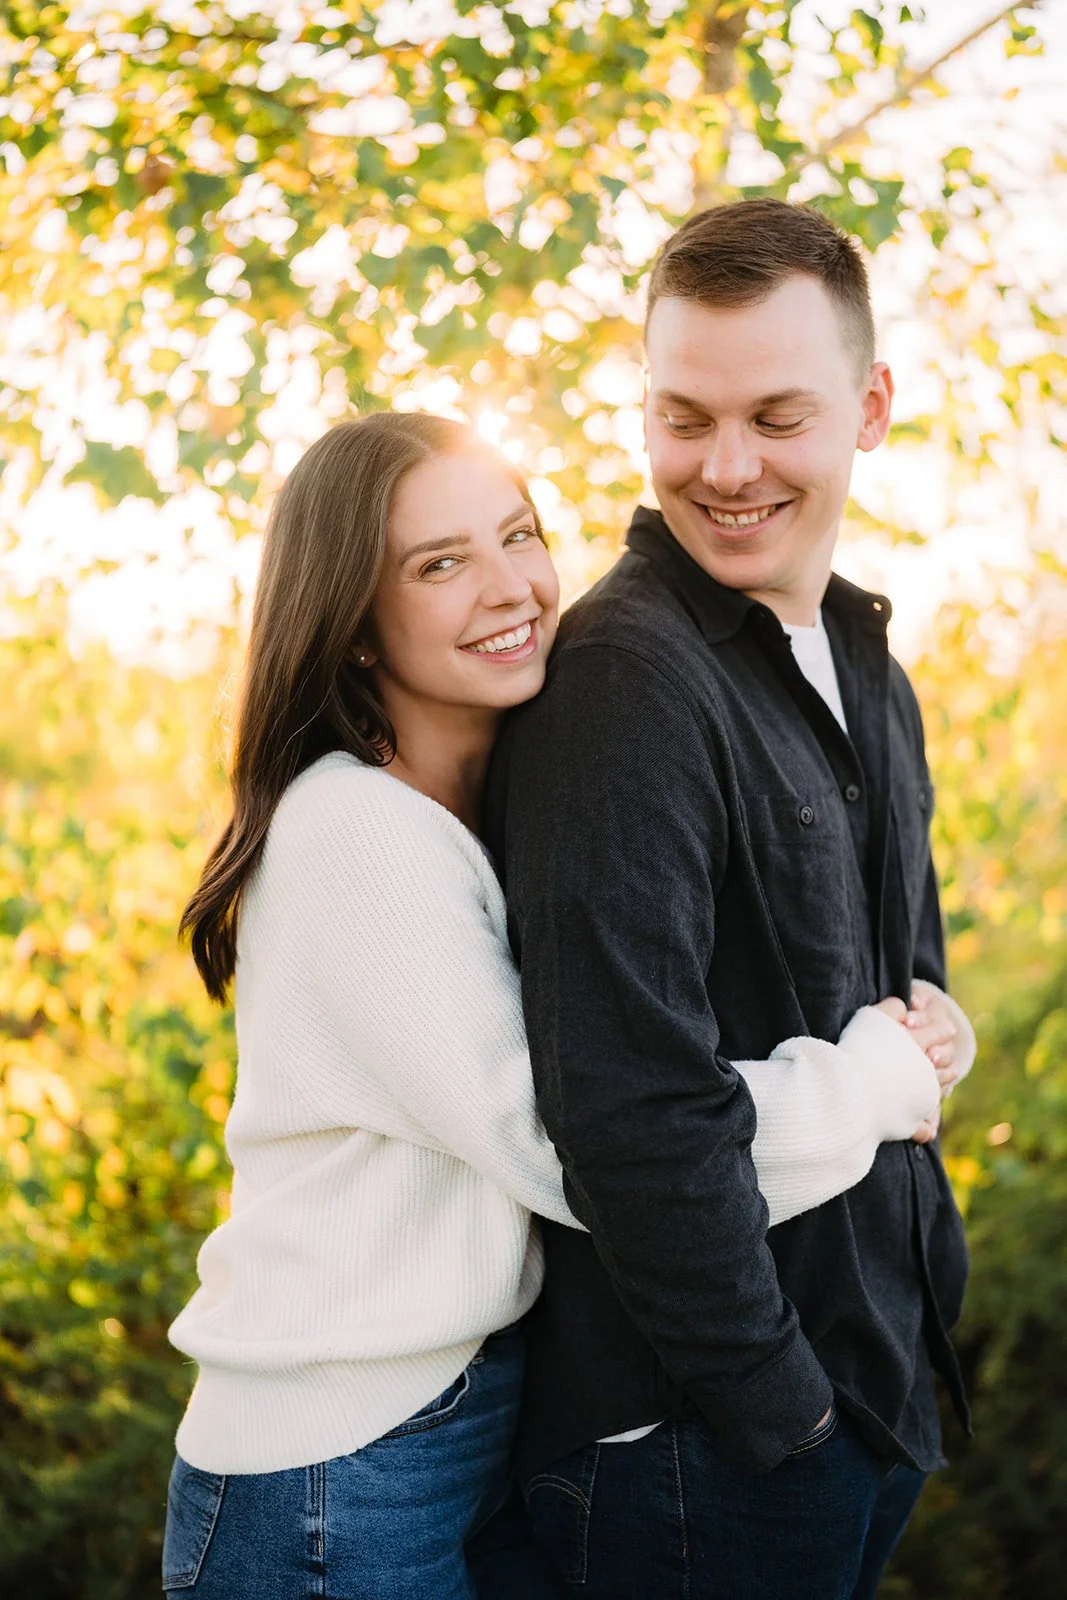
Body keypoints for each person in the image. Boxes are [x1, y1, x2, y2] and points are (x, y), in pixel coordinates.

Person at [162, 410, 951, 1600]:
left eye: (517, 534)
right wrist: (873, 1082)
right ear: (353, 624)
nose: (510, 586)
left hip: (459, 1419)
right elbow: (580, 1140)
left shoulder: (473, 812)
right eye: (439, 563)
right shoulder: (355, 834)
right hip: (332, 1465)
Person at [486, 199, 977, 1600]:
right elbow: (624, 1108)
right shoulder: (624, 683)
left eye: (775, 417)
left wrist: (934, 1035)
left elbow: (896, 992)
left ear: (868, 408)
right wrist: (781, 1415)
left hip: (868, 1390)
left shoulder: (865, 664)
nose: (723, 467)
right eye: (682, 417)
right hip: (700, 1449)